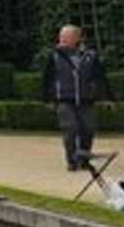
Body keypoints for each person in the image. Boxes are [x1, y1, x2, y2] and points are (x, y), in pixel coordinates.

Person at [40, 24, 114, 171]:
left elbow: (100, 77)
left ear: (76, 38)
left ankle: (84, 159)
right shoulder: (54, 55)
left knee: (89, 128)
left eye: (65, 37)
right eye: (61, 36)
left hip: (87, 98)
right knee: (70, 128)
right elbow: (47, 78)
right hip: (64, 99)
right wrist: (47, 98)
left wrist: (108, 97)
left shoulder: (91, 55)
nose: (61, 39)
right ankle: (72, 160)